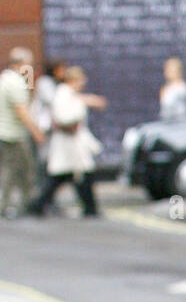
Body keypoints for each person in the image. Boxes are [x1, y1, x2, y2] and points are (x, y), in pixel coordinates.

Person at [30, 66, 106, 217]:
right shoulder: (63, 94)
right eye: (80, 80)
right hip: (67, 143)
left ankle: (89, 208)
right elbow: (63, 117)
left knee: (75, 175)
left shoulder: (70, 94)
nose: (82, 83)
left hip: (72, 144)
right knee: (65, 177)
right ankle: (39, 204)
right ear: (72, 80)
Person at [0, 48, 44, 218]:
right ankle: (21, 204)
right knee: (22, 171)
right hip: (13, 135)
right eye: (29, 64)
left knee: (9, 170)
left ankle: (9, 204)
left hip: (5, 133)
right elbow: (22, 111)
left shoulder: (4, 78)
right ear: (22, 64)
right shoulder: (16, 82)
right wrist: (36, 132)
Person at [159, 57, 186, 121]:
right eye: (166, 69)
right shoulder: (168, 87)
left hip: (179, 121)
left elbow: (169, 104)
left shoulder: (182, 87)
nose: (166, 72)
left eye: (170, 70)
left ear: (179, 71)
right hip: (167, 120)